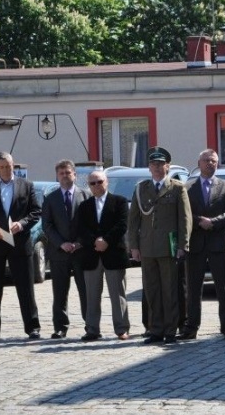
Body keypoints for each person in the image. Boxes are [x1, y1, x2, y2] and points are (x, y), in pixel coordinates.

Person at [0, 151, 42, 340]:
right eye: (1, 166)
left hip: (19, 243)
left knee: (26, 287)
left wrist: (21, 224)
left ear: (13, 165)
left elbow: (35, 211)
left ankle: (32, 327)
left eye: (8, 166)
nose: (5, 169)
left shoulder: (26, 186)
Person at [128, 146, 191, 345]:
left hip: (169, 247)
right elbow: (133, 221)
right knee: (152, 290)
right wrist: (134, 247)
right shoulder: (141, 189)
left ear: (168, 166)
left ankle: (171, 330)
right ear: (149, 167)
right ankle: (155, 329)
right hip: (147, 248)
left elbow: (185, 219)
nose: (157, 167)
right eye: (153, 164)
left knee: (170, 290)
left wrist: (183, 245)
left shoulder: (177, 188)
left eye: (160, 164)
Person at [180, 149, 225, 340]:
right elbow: (183, 213)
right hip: (195, 244)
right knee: (193, 288)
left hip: (218, 244)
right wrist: (200, 221)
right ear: (199, 162)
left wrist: (213, 222)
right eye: (206, 160)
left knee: (224, 288)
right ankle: (191, 328)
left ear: (218, 164)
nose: (210, 164)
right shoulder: (187, 186)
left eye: (213, 161)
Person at [77, 170, 130, 341]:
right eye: (92, 183)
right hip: (92, 256)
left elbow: (122, 224)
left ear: (106, 182)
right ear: (89, 186)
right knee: (92, 295)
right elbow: (81, 229)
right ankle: (92, 329)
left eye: (99, 182)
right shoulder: (84, 206)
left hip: (114, 253)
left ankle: (121, 328)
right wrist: (95, 242)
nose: (96, 186)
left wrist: (106, 240)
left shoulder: (119, 201)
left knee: (118, 294)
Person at [41, 159, 88, 339]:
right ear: (57, 176)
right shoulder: (51, 198)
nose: (65, 176)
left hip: (80, 252)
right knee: (60, 291)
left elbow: (89, 224)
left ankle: (90, 324)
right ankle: (60, 327)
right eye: (61, 173)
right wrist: (61, 243)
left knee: (85, 290)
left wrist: (78, 243)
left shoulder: (85, 195)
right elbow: (47, 225)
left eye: (68, 173)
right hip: (59, 252)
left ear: (75, 175)